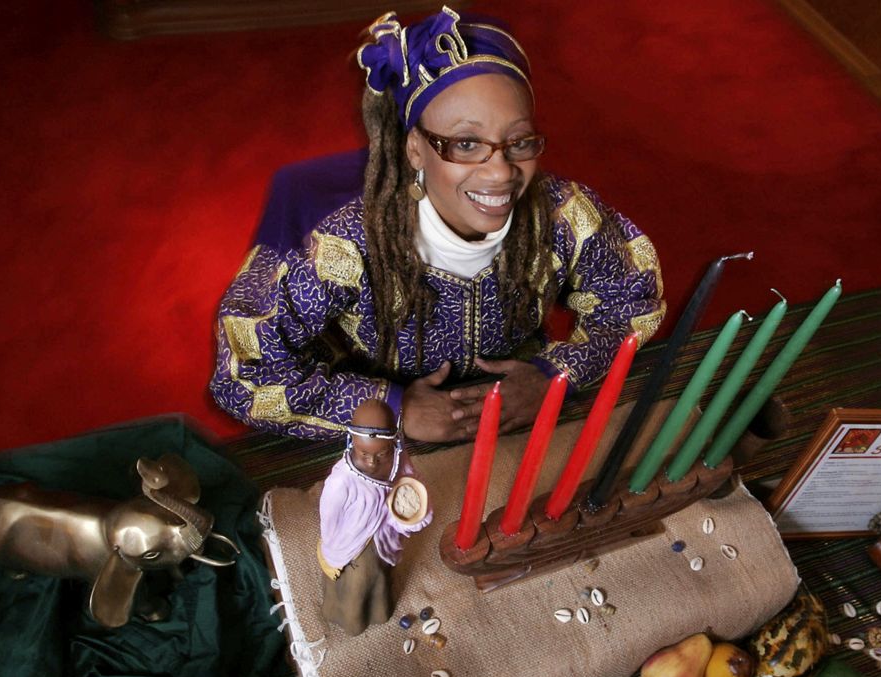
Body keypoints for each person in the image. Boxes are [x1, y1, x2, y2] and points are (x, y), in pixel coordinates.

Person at [210, 6, 664, 443]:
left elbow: (630, 304)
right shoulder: (345, 247)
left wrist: (554, 376)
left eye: (519, 142)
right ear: (414, 150)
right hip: (386, 443)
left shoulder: (565, 218)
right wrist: (390, 407)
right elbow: (244, 372)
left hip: (516, 419)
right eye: (466, 143)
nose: (501, 171)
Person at [317, 399, 430, 636]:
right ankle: (351, 621)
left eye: (382, 453)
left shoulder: (398, 461)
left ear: (394, 445)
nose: (372, 461)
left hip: (384, 539)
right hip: (352, 548)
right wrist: (333, 547)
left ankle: (379, 611)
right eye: (363, 453)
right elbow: (329, 517)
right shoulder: (341, 480)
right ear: (352, 443)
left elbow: (410, 484)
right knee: (357, 583)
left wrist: (412, 512)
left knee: (381, 575)